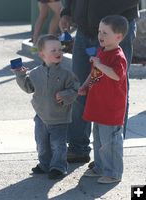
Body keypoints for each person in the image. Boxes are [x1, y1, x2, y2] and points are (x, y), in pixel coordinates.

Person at [59, 0, 139, 163]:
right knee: (80, 87)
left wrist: (106, 15)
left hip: (116, 27)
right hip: (85, 29)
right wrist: (67, 11)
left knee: (114, 88)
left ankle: (110, 153)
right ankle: (78, 147)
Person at [11, 34, 79, 180]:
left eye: (60, 49)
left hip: (59, 117)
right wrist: (20, 75)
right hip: (41, 116)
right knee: (41, 143)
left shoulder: (67, 73)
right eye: (53, 50)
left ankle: (58, 167)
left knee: (58, 145)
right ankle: (45, 164)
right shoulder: (35, 73)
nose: (58, 52)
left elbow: (75, 90)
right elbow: (28, 88)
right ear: (42, 54)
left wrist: (65, 94)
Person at [78, 15, 128, 184]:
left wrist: (99, 64)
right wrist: (85, 85)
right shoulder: (102, 52)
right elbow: (94, 73)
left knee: (110, 143)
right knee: (99, 140)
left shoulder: (118, 56)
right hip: (98, 105)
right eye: (100, 31)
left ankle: (113, 173)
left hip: (111, 108)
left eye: (105, 33)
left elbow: (115, 76)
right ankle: (100, 167)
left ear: (118, 37)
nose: (100, 35)